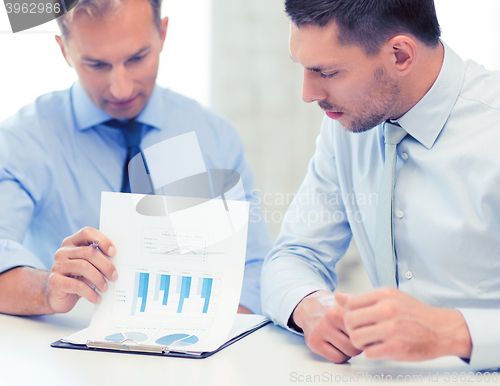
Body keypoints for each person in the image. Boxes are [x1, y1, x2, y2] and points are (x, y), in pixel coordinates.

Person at [262, 0, 500, 371]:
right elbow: (294, 255)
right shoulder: (347, 123)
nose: (308, 94)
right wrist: (310, 308)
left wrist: (451, 333)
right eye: (304, 68)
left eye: (327, 72)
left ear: (401, 55)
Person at [0, 0, 272, 316]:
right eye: (96, 65)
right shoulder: (23, 139)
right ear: (64, 51)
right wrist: (46, 289)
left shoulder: (214, 136)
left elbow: (253, 267)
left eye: (137, 58)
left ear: (163, 33)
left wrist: (207, 340)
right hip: (66, 354)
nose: (121, 88)